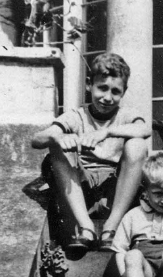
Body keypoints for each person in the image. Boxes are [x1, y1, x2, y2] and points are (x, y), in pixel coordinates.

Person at [32, 53, 151, 251]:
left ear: (124, 92)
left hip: (115, 192)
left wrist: (107, 131)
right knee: (58, 145)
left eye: (115, 91)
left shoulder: (127, 115)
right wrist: (59, 138)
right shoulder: (77, 116)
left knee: (137, 145)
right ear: (89, 85)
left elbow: (145, 130)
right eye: (102, 88)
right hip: (80, 190)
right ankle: (85, 227)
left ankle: (110, 228)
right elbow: (37, 139)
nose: (107, 97)